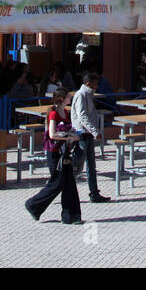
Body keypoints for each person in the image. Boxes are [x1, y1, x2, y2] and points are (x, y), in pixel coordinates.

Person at [24, 89, 83, 224]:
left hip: (65, 151)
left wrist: (73, 134)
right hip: (55, 153)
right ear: (62, 99)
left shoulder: (65, 112)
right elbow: (52, 134)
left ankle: (71, 216)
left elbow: (67, 129)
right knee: (57, 183)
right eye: (68, 96)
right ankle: (33, 205)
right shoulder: (53, 114)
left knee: (69, 184)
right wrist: (69, 136)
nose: (70, 98)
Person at [70, 71, 110, 203]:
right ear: (88, 84)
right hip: (83, 135)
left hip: (87, 135)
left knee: (90, 166)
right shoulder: (82, 95)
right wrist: (94, 131)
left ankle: (94, 193)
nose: (97, 86)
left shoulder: (87, 95)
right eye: (95, 84)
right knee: (78, 166)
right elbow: (82, 116)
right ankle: (62, 189)